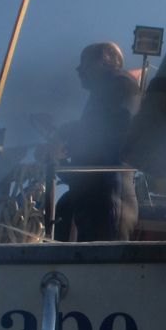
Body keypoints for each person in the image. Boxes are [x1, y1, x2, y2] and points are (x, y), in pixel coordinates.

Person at [53, 42, 141, 242]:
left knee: (105, 255)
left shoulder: (121, 83)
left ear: (105, 59)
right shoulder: (100, 98)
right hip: (93, 207)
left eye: (84, 60)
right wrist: (57, 161)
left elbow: (115, 128)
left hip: (109, 203)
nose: (79, 68)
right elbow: (84, 169)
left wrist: (64, 133)